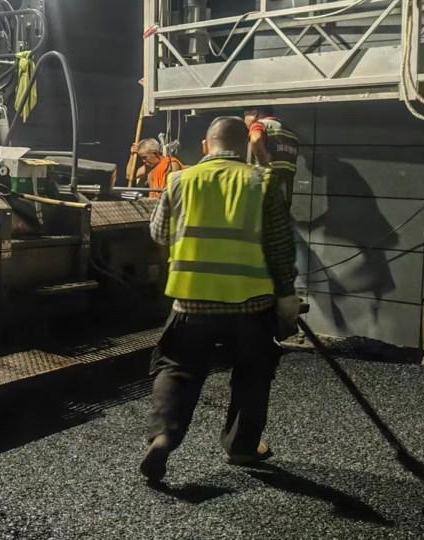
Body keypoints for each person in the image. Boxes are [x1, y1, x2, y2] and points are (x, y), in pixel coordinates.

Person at [140, 116, 299, 483]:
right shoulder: (263, 181)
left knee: (176, 367)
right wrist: (286, 297)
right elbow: (279, 246)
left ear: (205, 146)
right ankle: (242, 446)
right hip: (251, 303)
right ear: (245, 146)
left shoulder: (179, 180)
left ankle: (164, 436)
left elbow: (159, 233)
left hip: (191, 301)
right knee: (253, 373)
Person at [244, 106, 300, 204]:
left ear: (254, 113)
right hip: (284, 189)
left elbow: (256, 139)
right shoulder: (290, 133)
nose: (244, 120)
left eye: (245, 115)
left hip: (263, 184)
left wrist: (264, 164)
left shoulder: (259, 125)